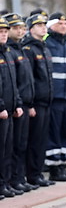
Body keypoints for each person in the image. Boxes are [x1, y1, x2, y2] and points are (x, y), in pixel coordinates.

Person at [44, 12, 66, 182]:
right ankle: (53, 168)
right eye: (60, 23)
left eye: (65, 23)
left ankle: (62, 164)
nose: (64, 25)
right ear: (50, 25)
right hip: (54, 96)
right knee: (54, 133)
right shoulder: (46, 43)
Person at [4, 13, 36, 193]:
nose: (21, 31)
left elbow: (23, 81)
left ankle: (17, 179)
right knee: (12, 147)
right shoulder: (9, 51)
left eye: (22, 28)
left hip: (21, 104)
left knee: (21, 145)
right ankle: (9, 181)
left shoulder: (20, 49)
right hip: (13, 106)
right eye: (16, 28)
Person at [22, 14, 55, 188]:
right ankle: (32, 175)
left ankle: (38, 173)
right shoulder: (29, 49)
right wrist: (31, 103)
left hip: (46, 101)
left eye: (44, 24)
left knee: (41, 140)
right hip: (36, 103)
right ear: (31, 28)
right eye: (39, 25)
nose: (43, 27)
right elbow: (29, 80)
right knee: (34, 141)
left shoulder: (44, 47)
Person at [0, 17, 24, 199]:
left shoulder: (7, 53)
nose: (3, 34)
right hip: (1, 111)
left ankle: (6, 183)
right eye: (0, 31)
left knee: (8, 149)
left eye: (5, 31)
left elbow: (13, 83)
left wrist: (17, 103)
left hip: (9, 110)